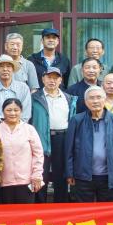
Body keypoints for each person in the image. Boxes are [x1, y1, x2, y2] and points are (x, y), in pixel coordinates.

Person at [65, 87, 113, 202]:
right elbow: (69, 149)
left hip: (109, 177)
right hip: (82, 176)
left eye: (99, 97)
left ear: (105, 100)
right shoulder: (76, 120)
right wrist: (69, 173)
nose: (95, 101)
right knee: (83, 210)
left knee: (108, 211)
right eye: (91, 98)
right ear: (86, 102)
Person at [30, 66, 77, 203]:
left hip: (62, 138)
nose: (52, 81)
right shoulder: (35, 98)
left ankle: (60, 206)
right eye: (49, 77)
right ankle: (40, 206)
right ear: (43, 79)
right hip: (41, 138)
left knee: (61, 175)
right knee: (41, 173)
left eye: (55, 78)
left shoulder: (68, 98)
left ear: (60, 80)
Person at [0, 98, 44, 204]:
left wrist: (37, 175)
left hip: (26, 181)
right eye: (9, 110)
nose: (12, 113)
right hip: (3, 182)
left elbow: (38, 154)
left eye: (16, 110)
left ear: (21, 111)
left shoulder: (29, 129)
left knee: (26, 213)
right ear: (3, 111)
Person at [0, 55, 32, 124]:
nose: (5, 69)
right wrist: (1, 122)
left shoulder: (23, 88)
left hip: (19, 127)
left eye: (8, 66)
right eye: (1, 66)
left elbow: (26, 111)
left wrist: (17, 124)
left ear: (13, 69)